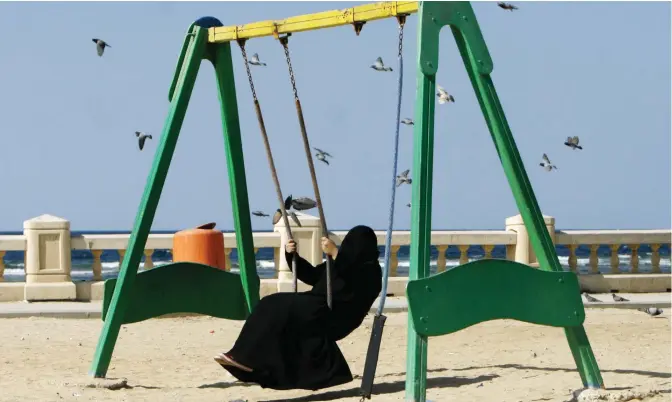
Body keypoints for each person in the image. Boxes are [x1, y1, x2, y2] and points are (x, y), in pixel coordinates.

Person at [213, 225, 383, 391]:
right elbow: (310, 275)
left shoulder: (371, 271)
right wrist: (291, 254)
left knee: (280, 307)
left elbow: (355, 283)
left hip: (335, 316)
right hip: (317, 306)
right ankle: (246, 359)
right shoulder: (339, 264)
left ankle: (247, 359)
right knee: (270, 304)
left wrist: (336, 254)